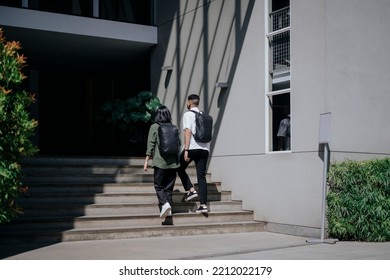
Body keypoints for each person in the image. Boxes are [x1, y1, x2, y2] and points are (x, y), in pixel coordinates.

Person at [144, 106, 180, 225]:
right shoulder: (174, 127)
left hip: (160, 162)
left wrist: (146, 160)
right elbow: (178, 143)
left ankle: (165, 204)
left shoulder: (154, 127)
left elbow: (151, 143)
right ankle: (168, 210)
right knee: (168, 189)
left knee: (158, 186)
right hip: (173, 163)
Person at [177, 94, 210, 213]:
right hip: (205, 149)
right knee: (201, 177)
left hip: (192, 148)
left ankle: (191, 190)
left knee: (179, 167)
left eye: (187, 101)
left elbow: (188, 132)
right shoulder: (205, 116)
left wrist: (186, 150)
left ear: (190, 102)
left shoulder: (188, 114)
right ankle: (203, 205)